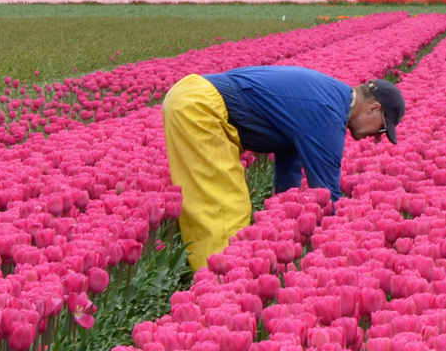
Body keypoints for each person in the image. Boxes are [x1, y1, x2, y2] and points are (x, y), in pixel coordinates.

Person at [161, 67, 405, 269]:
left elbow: (290, 162)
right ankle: (219, 285)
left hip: (194, 96)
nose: (376, 138)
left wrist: (283, 221)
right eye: (382, 130)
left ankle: (218, 275)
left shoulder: (330, 98)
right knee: (223, 206)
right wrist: (340, 250)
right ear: (374, 108)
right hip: (201, 106)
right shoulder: (327, 115)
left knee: (218, 200)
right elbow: (326, 195)